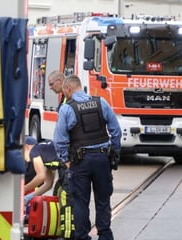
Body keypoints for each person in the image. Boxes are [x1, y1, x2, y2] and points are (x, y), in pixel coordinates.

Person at [53, 75, 121, 240]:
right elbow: (116, 130)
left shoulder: (67, 109)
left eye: (64, 92)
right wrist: (114, 153)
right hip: (102, 159)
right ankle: (105, 235)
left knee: (80, 201)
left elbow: (59, 140)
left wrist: (66, 161)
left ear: (68, 89)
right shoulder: (101, 102)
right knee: (103, 200)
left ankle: (82, 237)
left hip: (80, 162)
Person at [23, 136, 60, 205]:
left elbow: (40, 176)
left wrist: (23, 189)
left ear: (26, 147)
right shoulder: (46, 154)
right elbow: (48, 184)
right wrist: (27, 198)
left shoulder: (34, 151)